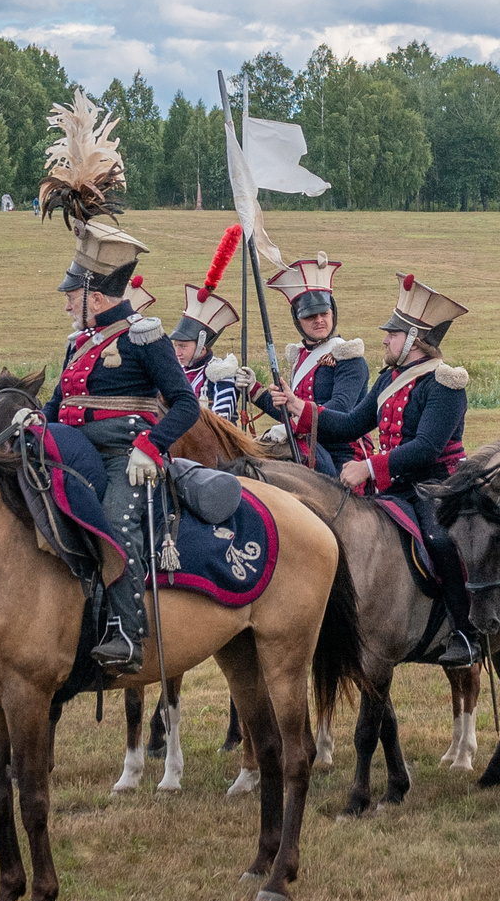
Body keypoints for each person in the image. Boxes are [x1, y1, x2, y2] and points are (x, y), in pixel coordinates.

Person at [50, 223, 201, 673]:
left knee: (115, 523)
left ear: (96, 298)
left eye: (71, 296)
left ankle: (127, 634)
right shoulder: (77, 345)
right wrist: (32, 419)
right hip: (75, 451)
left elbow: (186, 405)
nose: (66, 304)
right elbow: (59, 402)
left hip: (126, 458)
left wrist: (150, 447)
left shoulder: (144, 335)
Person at [310, 273, 481, 665]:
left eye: (393, 334)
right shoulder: (389, 378)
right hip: (394, 487)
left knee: (439, 541)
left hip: (436, 486)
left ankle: (465, 632)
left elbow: (425, 449)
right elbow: (352, 423)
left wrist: (368, 467)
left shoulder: (445, 384)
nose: (385, 339)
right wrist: (299, 409)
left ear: (415, 340)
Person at [252, 252, 370, 478]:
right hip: (306, 447)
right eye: (310, 316)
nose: (319, 321)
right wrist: (253, 390)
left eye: (324, 313)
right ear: (298, 321)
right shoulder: (301, 357)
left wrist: (294, 415)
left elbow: (340, 409)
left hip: (341, 454)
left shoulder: (348, 358)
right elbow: (290, 414)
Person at [169, 227, 245, 420]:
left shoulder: (220, 373)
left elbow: (221, 420)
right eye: (177, 346)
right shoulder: (177, 370)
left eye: (183, 346)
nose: (177, 352)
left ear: (202, 346)